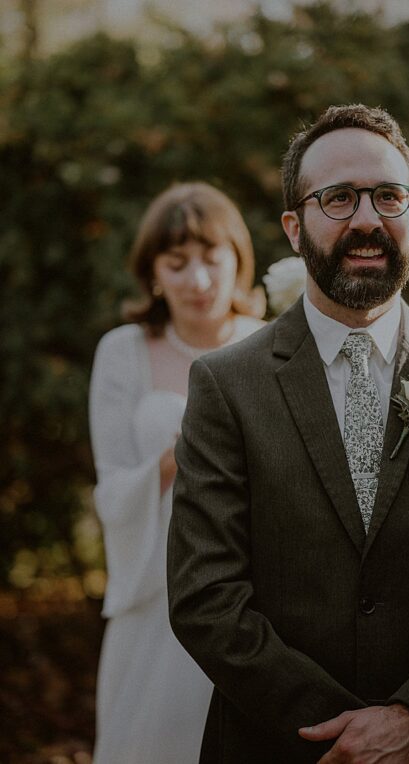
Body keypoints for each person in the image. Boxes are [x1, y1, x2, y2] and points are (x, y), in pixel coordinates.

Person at [167, 104, 409, 764]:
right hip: (278, 746)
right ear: (295, 229)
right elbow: (205, 596)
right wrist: (340, 733)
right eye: (339, 198)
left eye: (388, 196)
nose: (367, 219)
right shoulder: (225, 384)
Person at [88, 182, 265, 764]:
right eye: (177, 262)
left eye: (212, 259)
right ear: (152, 272)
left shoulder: (268, 348)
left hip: (250, 589)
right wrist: (180, 454)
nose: (197, 280)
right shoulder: (123, 351)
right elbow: (111, 488)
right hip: (153, 589)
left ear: (238, 261)